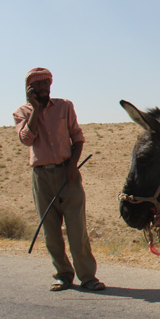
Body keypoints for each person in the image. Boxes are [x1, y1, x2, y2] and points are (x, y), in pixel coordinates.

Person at [13, 67, 105, 292]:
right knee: (51, 231)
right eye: (38, 84)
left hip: (68, 174)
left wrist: (73, 164)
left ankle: (87, 277)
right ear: (30, 89)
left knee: (77, 230)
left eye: (46, 83)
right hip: (41, 177)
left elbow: (78, 137)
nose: (44, 88)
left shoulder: (65, 106)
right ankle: (63, 275)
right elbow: (27, 139)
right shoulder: (22, 112)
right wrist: (35, 110)